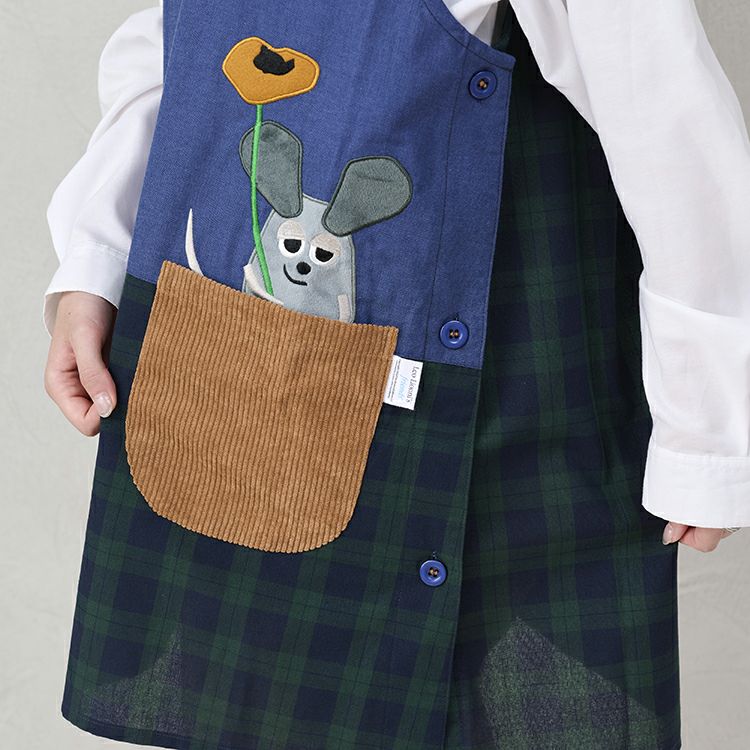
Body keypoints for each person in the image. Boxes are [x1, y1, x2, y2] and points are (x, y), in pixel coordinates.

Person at [43, 1, 749, 748]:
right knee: (254, 701)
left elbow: (656, 100)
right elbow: (172, 40)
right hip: (221, 341)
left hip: (474, 363)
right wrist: (96, 260)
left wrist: (707, 427)